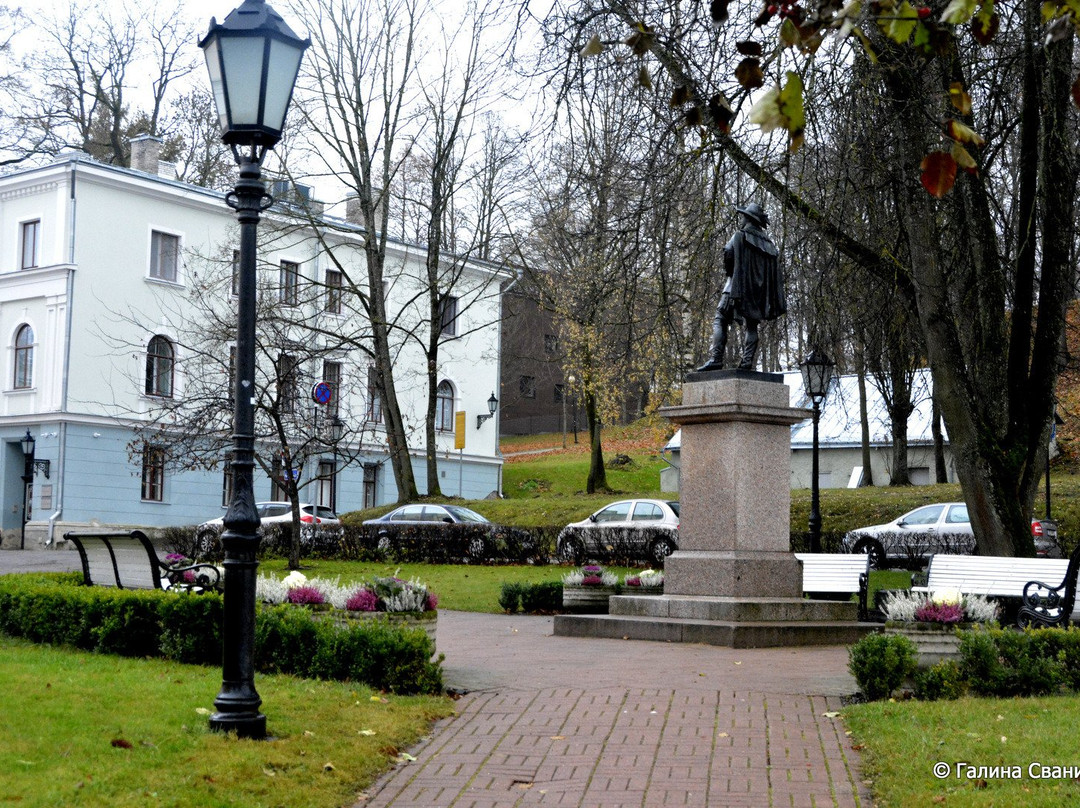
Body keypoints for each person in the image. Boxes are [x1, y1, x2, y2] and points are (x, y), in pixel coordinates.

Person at [696, 202, 786, 372]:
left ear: (748, 218)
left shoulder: (740, 235)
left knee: (720, 318)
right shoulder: (769, 245)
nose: (742, 219)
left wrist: (731, 271)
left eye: (744, 216)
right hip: (758, 292)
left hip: (735, 287)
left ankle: (716, 358)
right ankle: (747, 362)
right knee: (752, 325)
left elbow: (728, 253)